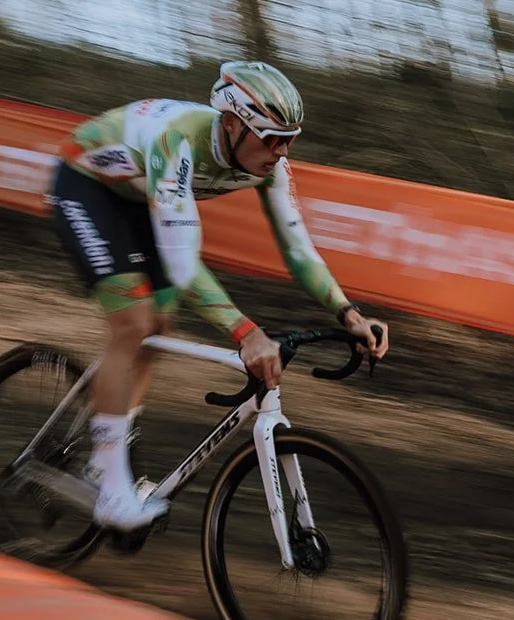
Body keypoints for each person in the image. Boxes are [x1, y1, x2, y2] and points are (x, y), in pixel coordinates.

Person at [51, 61, 389, 531]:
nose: (282, 150)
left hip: (141, 200)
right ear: (231, 123)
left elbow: (297, 249)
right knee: (132, 324)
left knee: (158, 328)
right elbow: (184, 263)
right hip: (87, 185)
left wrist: (348, 312)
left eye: (290, 138)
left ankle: (103, 457)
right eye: (271, 137)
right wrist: (246, 332)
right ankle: (110, 486)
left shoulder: (271, 165)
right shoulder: (179, 142)